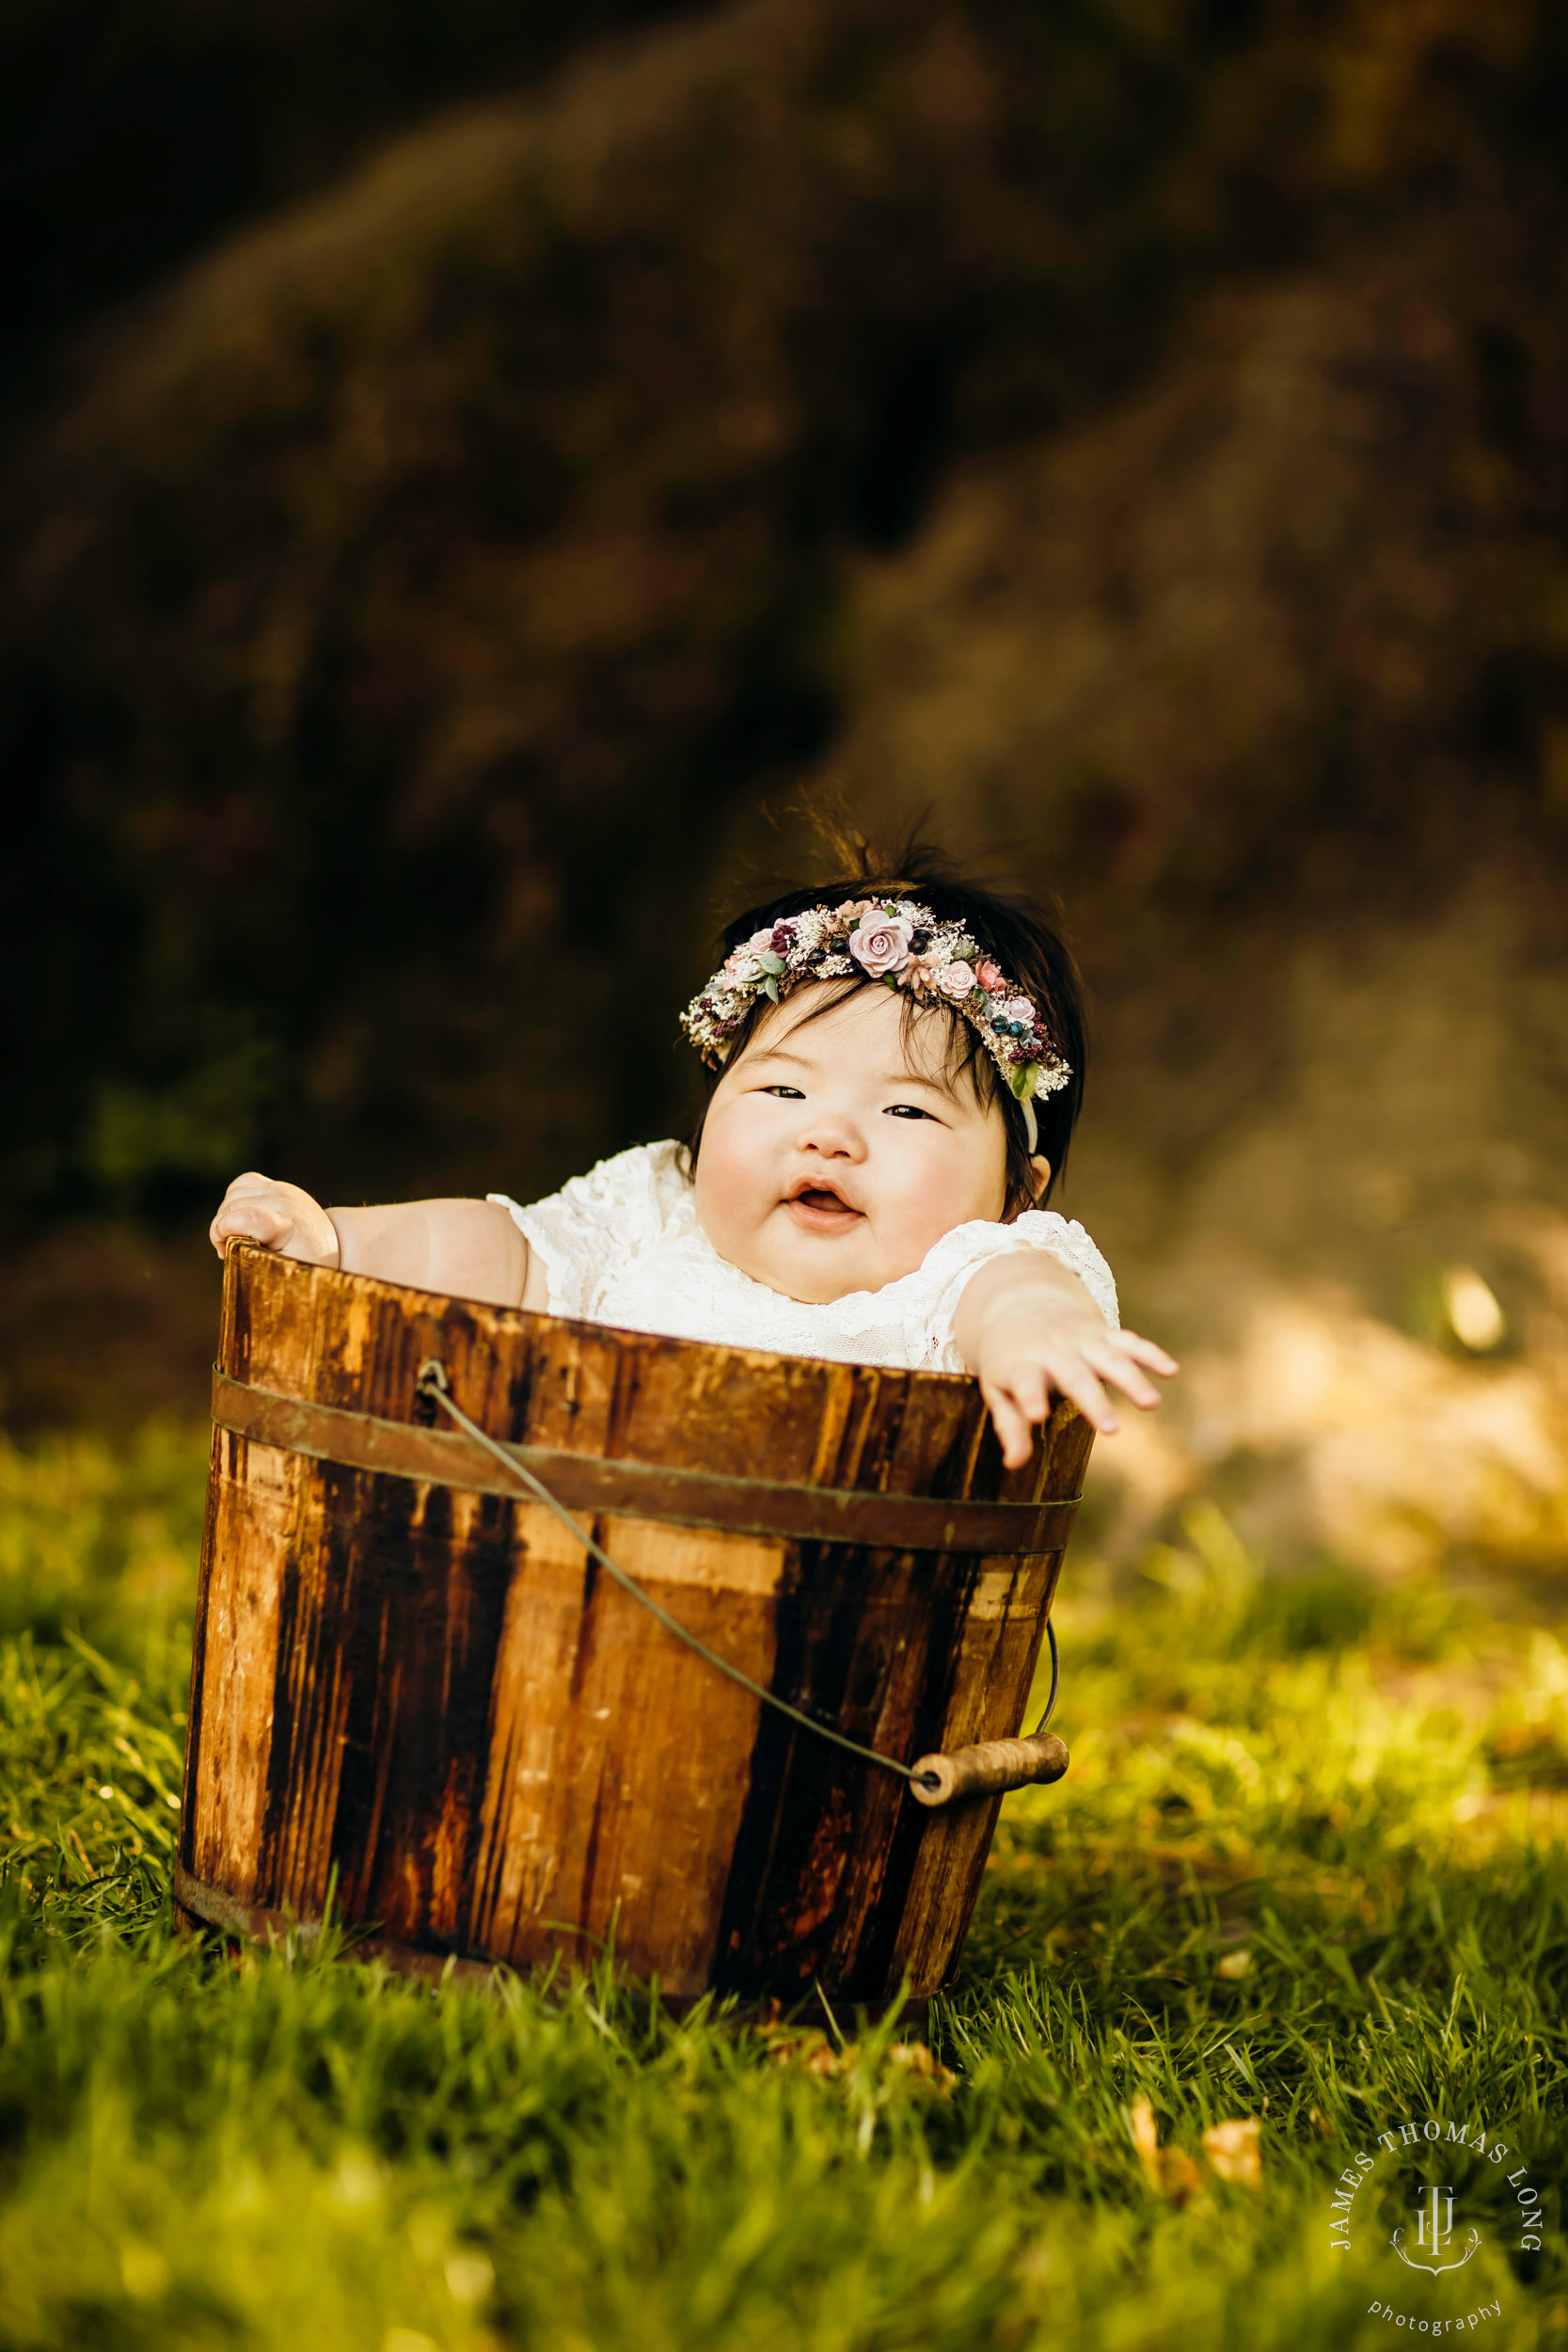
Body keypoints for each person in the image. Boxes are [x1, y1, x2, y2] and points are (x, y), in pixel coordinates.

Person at [210, 850, 1176, 1466]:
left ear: (1017, 1192)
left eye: (903, 1109)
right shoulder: (654, 1215)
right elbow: (500, 1250)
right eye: (783, 1090)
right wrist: (331, 1237)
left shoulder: (959, 1272)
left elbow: (1014, 1290)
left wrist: (1033, 1334)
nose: (828, 1134)